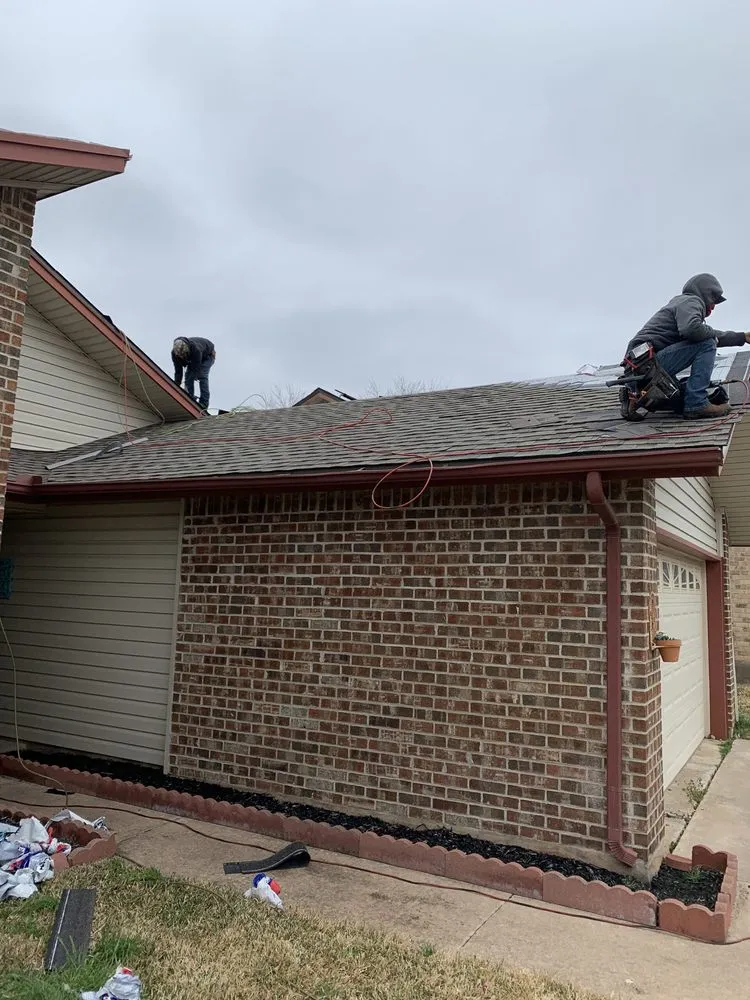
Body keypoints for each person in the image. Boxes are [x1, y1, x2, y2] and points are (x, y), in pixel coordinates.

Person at [625, 274, 750, 419]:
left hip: (638, 369)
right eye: (713, 300)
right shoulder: (692, 300)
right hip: (648, 365)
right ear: (705, 293)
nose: (713, 307)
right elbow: (693, 331)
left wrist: (741, 337)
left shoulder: (679, 303)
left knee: (678, 397)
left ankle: (632, 398)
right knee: (708, 343)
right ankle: (697, 403)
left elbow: (698, 335)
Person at [171, 337, 216, 410]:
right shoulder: (174, 354)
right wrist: (176, 386)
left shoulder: (195, 349)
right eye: (180, 356)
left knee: (202, 376)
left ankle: (204, 403)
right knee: (188, 378)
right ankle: (190, 398)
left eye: (183, 355)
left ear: (186, 350)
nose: (182, 357)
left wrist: (194, 376)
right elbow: (178, 371)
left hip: (208, 356)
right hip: (193, 359)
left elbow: (196, 368)